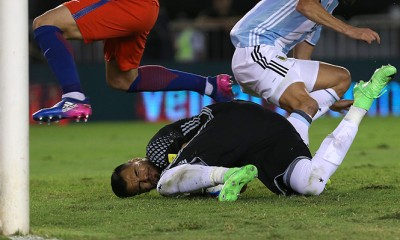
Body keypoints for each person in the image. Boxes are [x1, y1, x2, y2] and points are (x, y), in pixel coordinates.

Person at [111, 65, 397, 201]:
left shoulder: (157, 152)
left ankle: (224, 177)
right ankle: (364, 101)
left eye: (137, 174)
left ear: (136, 160)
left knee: (167, 187)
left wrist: (211, 175)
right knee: (310, 183)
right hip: (261, 138)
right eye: (141, 187)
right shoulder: (188, 181)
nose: (146, 180)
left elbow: (192, 127)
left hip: (226, 121)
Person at [31, 0, 233, 123]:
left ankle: (73, 97)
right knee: (122, 79)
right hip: (143, 9)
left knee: (45, 24)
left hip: (126, 4)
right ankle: (210, 86)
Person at [229, 0, 381, 145]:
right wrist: (350, 29)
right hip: (255, 51)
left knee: (340, 78)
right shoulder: (313, 6)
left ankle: (276, 146)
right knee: (307, 105)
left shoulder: (327, 7)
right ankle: (291, 154)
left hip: (269, 57)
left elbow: (302, 58)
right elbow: (306, 5)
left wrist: (328, 101)